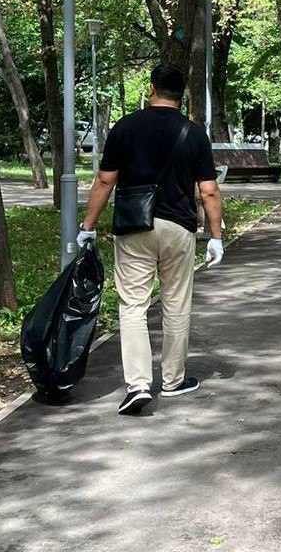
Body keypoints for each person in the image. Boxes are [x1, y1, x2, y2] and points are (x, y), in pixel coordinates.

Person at [76, 64, 224, 416]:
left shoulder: (125, 127)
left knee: (133, 306)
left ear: (151, 89)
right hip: (178, 229)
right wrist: (216, 236)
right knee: (175, 304)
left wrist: (88, 225)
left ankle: (138, 384)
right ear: (182, 94)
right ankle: (173, 381)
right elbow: (209, 191)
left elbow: (104, 181)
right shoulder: (193, 133)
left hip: (133, 227)